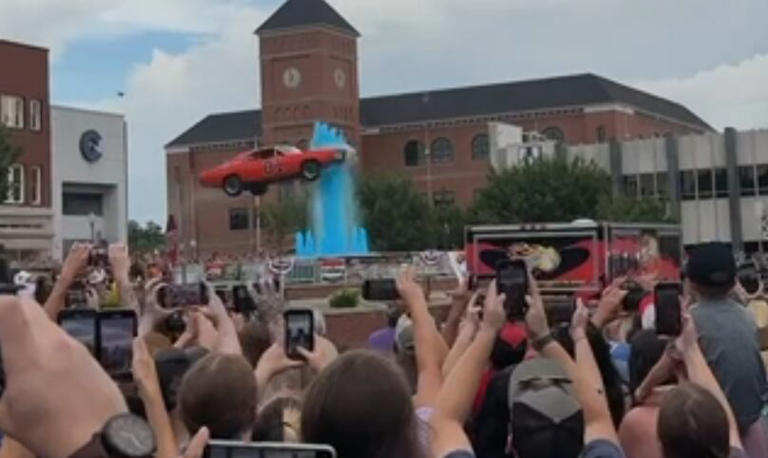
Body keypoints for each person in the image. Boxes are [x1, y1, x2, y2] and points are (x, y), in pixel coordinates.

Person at [685, 242, 768, 455]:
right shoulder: (747, 316)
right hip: (753, 418)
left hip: (714, 426)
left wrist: (640, 391)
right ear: (733, 283)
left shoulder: (691, 320)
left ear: (691, 284)